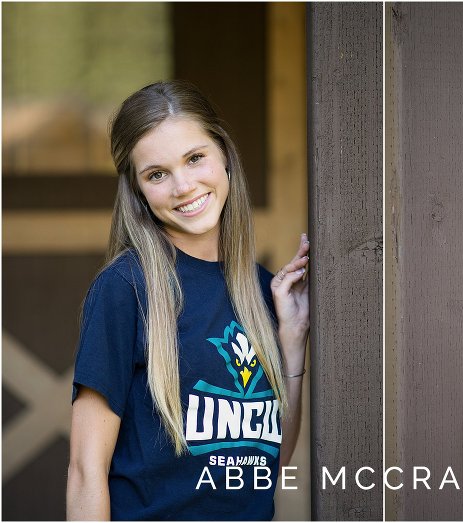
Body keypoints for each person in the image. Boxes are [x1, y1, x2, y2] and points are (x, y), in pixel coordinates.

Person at [67, 80, 309, 520]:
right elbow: (86, 472)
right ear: (138, 192)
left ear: (225, 160)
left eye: (195, 158)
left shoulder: (263, 292)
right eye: (156, 174)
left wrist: (291, 338)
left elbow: (267, 467)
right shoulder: (126, 289)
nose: (183, 186)